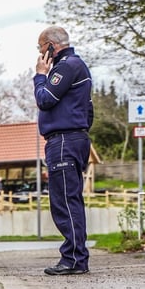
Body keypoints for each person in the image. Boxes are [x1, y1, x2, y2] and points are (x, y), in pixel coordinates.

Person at [33, 26, 93, 275]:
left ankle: (73, 259)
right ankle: (76, 256)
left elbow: (45, 99)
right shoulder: (78, 67)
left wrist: (40, 75)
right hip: (74, 138)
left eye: (40, 48)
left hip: (64, 141)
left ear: (50, 46)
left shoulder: (66, 67)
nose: (39, 52)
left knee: (65, 202)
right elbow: (89, 111)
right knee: (70, 200)